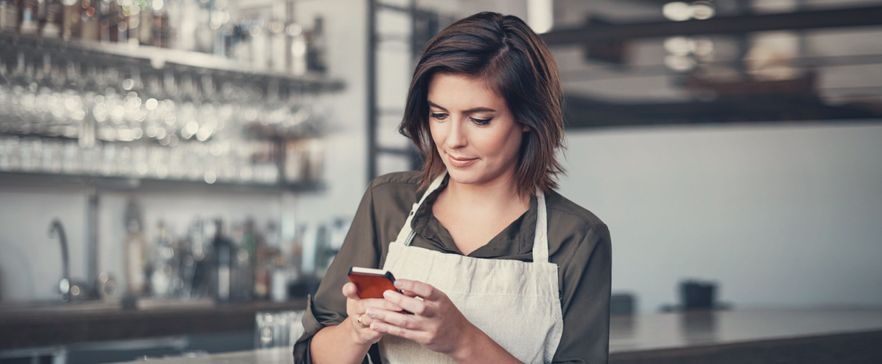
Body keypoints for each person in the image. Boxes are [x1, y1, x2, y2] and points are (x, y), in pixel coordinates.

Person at [294, 11, 611, 364]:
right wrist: (357, 331)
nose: (453, 140)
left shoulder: (576, 238)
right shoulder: (388, 204)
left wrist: (462, 340)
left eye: (480, 119)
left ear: (527, 119)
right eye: (439, 115)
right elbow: (313, 355)